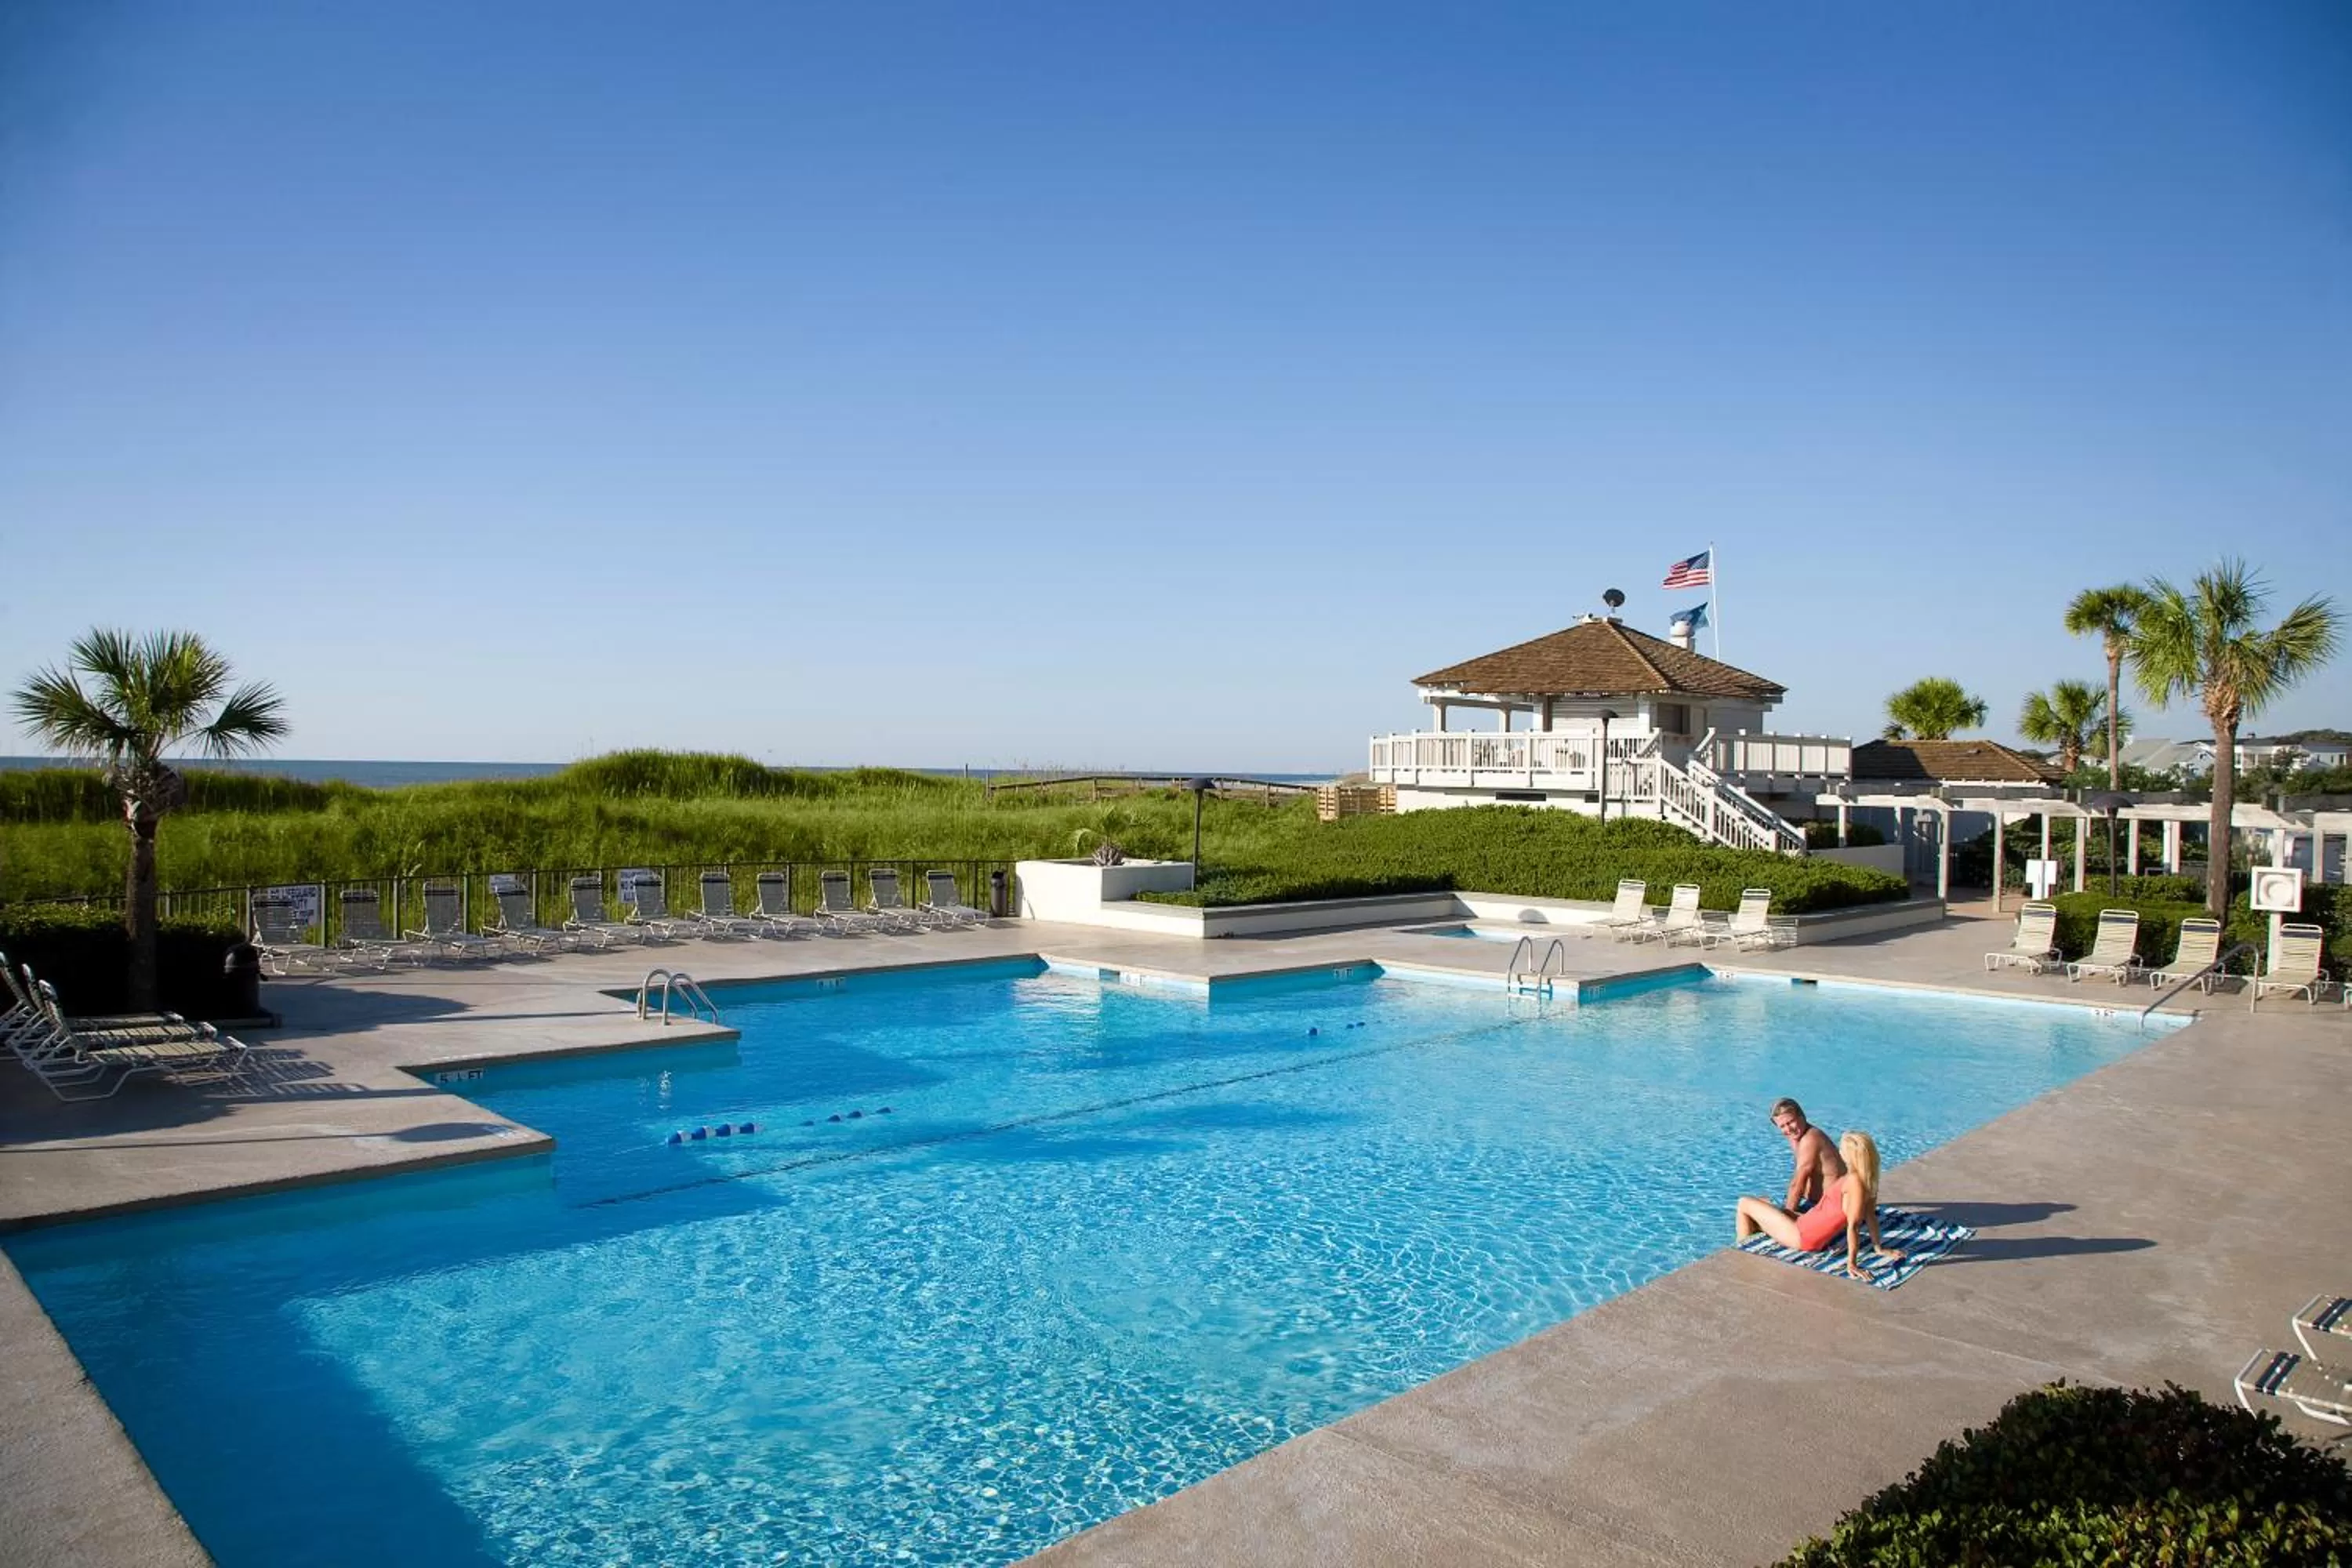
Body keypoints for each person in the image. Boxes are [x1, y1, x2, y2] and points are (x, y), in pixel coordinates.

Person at [1736, 1130, 1907, 1280]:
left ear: (1851, 1156)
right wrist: (1878, 1248)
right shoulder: (1867, 1180)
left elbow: (1854, 1226)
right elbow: (1870, 1216)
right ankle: (1752, 1240)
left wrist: (1852, 1264)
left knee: (1744, 1203)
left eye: (1842, 1149)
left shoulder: (1854, 1183)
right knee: (1763, 1202)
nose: (1839, 1152)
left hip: (1802, 1235)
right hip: (1805, 1223)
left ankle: (1742, 1255)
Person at [1770, 1096, 1844, 1214]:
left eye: (1790, 1122)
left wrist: (1787, 1215)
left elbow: (1798, 1183)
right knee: (1762, 1202)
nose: (1788, 1129)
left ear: (1802, 1117)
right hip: (1813, 1203)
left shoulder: (1811, 1139)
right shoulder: (1797, 1135)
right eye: (1782, 1126)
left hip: (1828, 1207)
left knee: (1748, 1205)